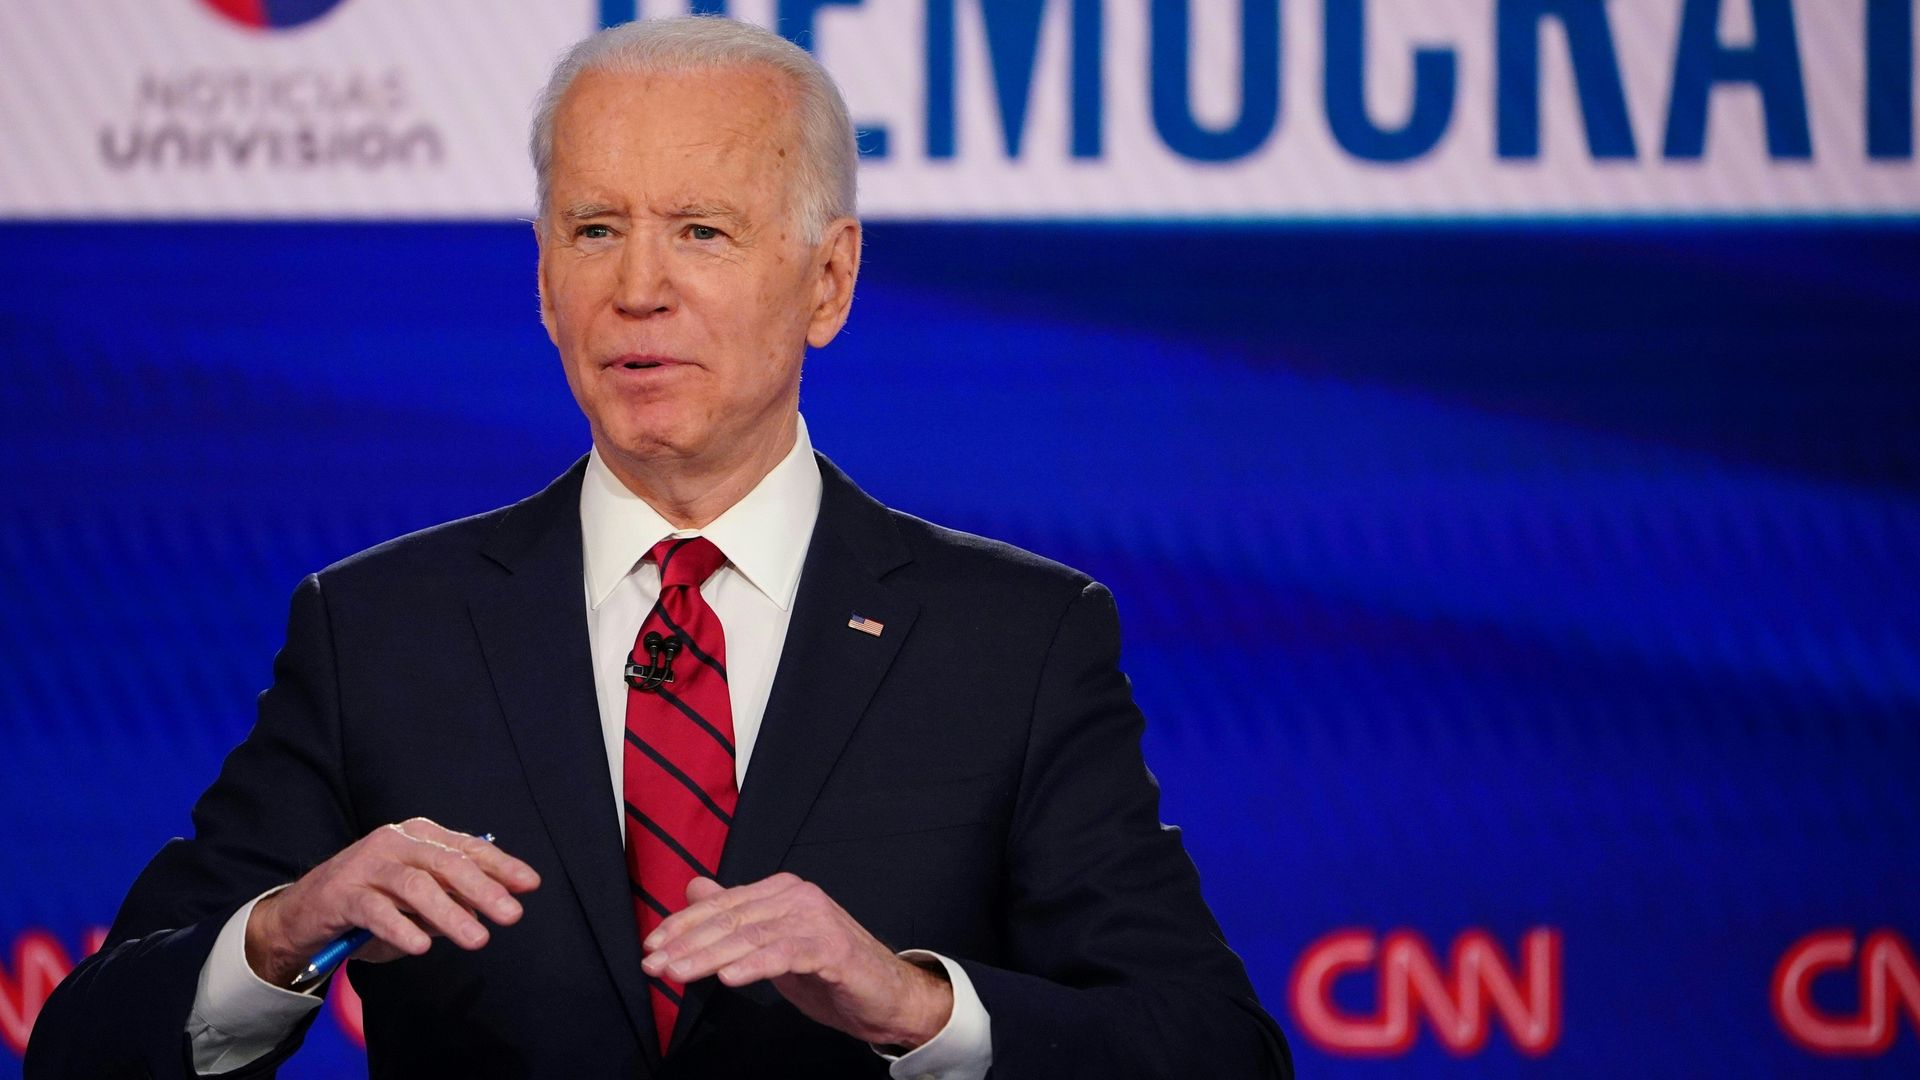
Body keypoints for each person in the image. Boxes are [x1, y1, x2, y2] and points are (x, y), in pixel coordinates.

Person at [26, 16, 1291, 1079]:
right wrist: (282, 932)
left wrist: (914, 1006)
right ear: (541, 282)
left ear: (829, 281)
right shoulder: (381, 631)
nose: (638, 287)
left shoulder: (1013, 641)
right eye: (592, 230)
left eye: (702, 230)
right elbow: (81, 1047)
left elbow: (1214, 1051)